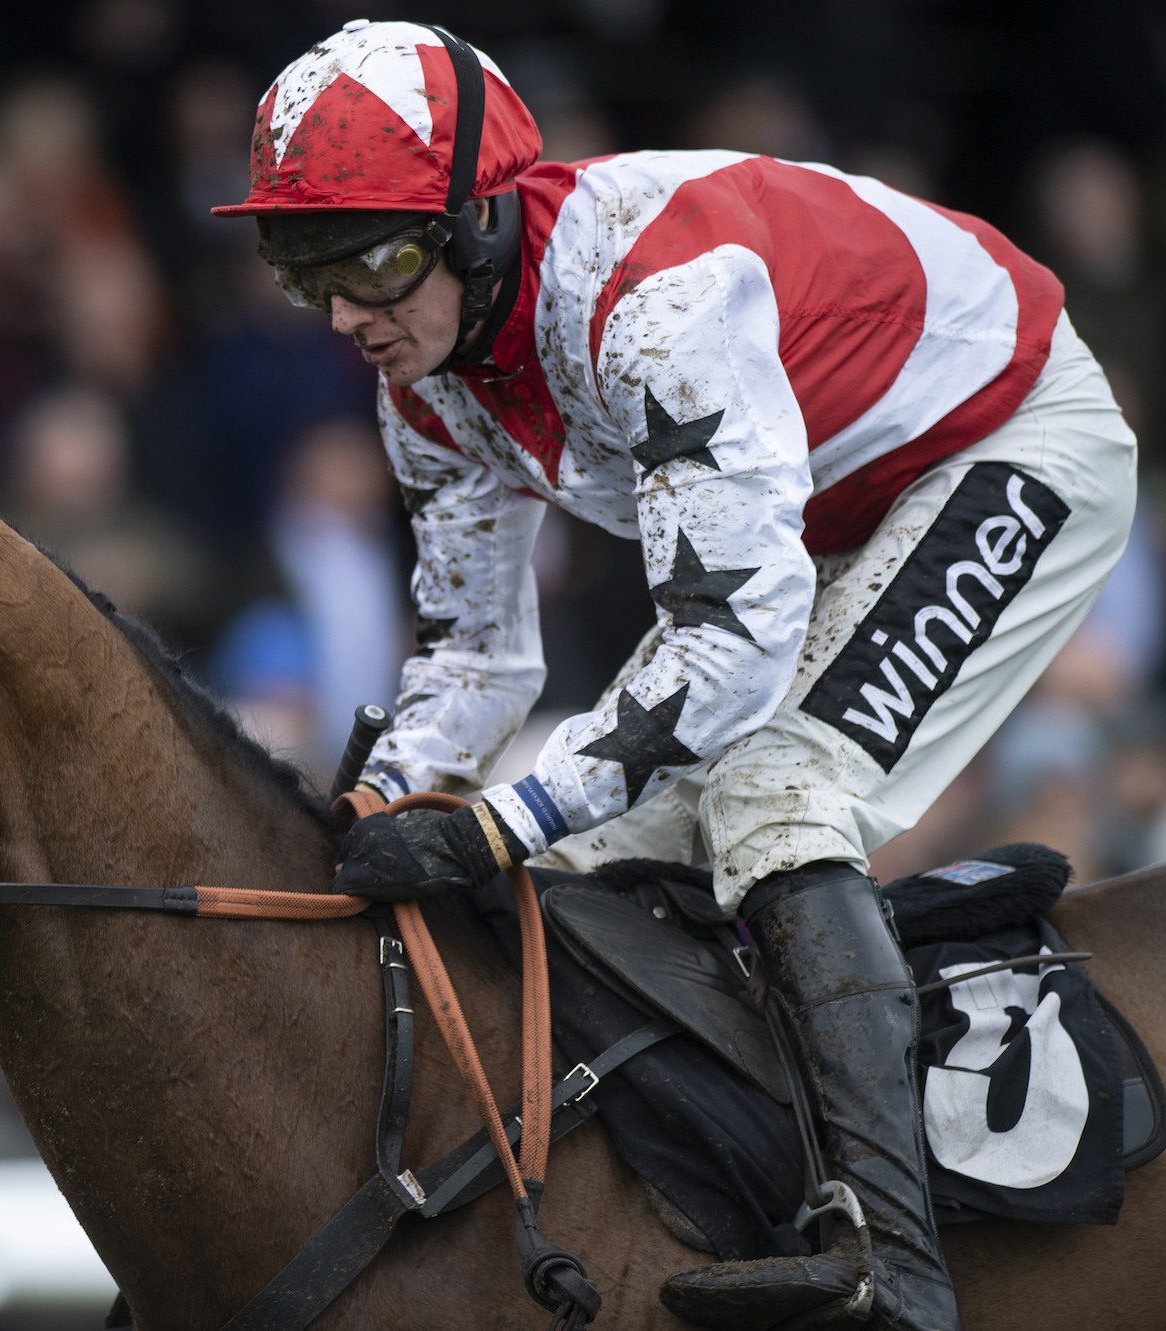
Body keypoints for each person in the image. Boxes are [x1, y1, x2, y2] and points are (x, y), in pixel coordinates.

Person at [215, 20, 1137, 1331]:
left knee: (772, 793)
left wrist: (496, 818)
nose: (345, 314)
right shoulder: (425, 382)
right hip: (824, 509)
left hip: (1009, 437)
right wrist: (365, 815)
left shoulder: (656, 304)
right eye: (302, 265)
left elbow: (732, 640)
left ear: (479, 222)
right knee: (591, 857)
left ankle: (897, 1259)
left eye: (371, 259)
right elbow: (476, 658)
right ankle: (737, 1180)